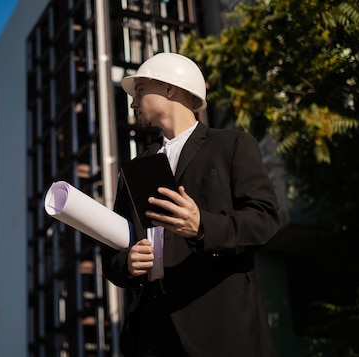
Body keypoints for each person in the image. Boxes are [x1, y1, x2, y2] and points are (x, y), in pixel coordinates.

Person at [101, 52, 280, 356]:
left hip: (220, 329)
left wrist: (201, 227)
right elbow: (114, 254)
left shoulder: (232, 146)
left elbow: (263, 221)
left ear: (170, 88)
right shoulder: (136, 167)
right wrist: (128, 263)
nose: (133, 103)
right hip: (151, 334)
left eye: (140, 90)